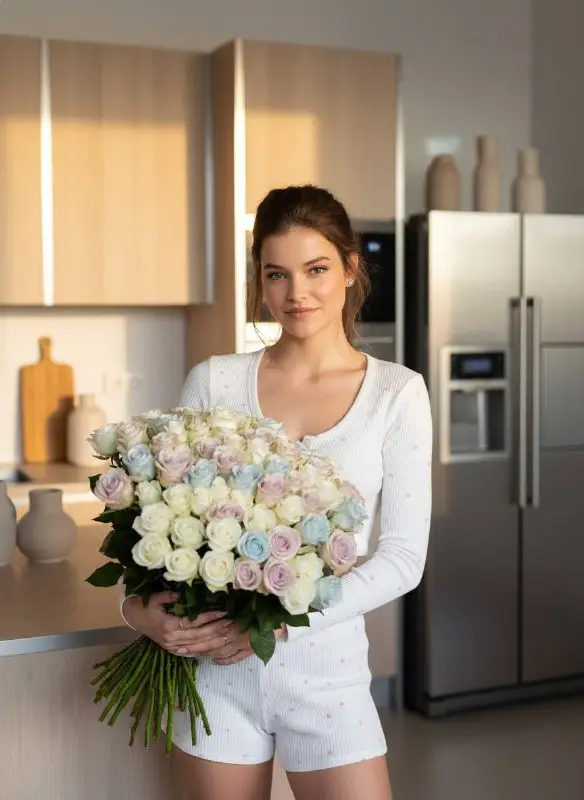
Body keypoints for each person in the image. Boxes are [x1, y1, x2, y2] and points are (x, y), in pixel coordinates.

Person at [121, 185, 433, 800]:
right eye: (276, 274)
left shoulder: (396, 394)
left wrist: (274, 622)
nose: (297, 293)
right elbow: (146, 524)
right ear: (260, 280)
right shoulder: (215, 380)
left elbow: (402, 559)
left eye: (316, 269)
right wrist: (136, 613)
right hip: (216, 677)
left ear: (350, 268)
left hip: (328, 680)